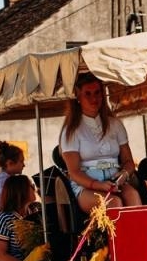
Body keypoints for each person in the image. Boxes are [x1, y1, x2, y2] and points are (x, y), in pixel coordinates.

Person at [59, 72, 142, 213]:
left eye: (97, 93)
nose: (94, 98)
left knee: (133, 196)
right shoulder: (71, 130)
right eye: (88, 94)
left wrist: (124, 175)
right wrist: (97, 185)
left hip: (116, 181)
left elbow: (128, 161)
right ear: (78, 96)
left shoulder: (115, 124)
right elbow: (74, 172)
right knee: (114, 203)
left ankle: (138, 235)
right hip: (86, 186)